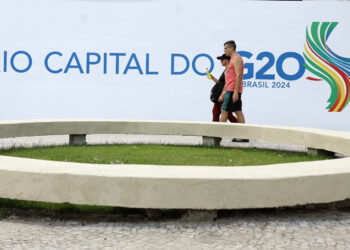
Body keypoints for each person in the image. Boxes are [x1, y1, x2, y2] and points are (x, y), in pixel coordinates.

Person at [219, 40, 248, 143]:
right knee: (237, 111)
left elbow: (239, 75)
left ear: (231, 48)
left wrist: (235, 92)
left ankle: (217, 135)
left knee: (224, 111)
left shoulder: (237, 59)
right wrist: (223, 92)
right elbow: (230, 78)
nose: (224, 50)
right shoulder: (232, 60)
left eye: (225, 48)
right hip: (230, 89)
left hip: (233, 90)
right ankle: (244, 136)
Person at [208, 54, 238, 123]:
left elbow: (228, 84)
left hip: (224, 96)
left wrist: (222, 95)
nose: (221, 61)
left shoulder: (229, 70)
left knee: (228, 115)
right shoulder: (225, 70)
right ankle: (215, 132)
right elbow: (220, 83)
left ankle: (241, 128)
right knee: (215, 113)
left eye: (222, 59)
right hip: (219, 97)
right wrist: (212, 77)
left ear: (227, 60)